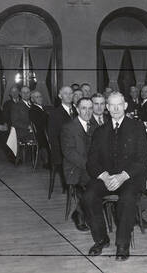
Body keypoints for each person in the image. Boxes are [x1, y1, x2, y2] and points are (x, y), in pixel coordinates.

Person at [82, 91, 147, 261]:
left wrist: (122, 176)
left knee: (127, 199)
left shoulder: (137, 127)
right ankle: (101, 239)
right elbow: (91, 161)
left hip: (130, 177)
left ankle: (122, 244)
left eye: (119, 104)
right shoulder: (100, 131)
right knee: (88, 196)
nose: (115, 108)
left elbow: (143, 159)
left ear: (125, 106)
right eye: (111, 105)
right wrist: (104, 176)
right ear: (107, 108)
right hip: (107, 177)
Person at [61, 97, 95, 231]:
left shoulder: (95, 126)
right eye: (83, 108)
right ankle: (79, 213)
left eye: (90, 108)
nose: (87, 112)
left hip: (91, 166)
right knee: (94, 182)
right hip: (75, 168)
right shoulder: (68, 128)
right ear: (77, 109)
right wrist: (90, 166)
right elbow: (69, 153)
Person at [48, 85, 77, 166]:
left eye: (71, 93)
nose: (68, 96)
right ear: (60, 96)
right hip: (62, 149)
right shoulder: (55, 113)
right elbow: (53, 136)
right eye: (65, 93)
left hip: (78, 146)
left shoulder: (77, 111)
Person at [29, 91, 49, 167]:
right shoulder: (33, 110)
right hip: (42, 134)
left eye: (40, 96)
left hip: (45, 132)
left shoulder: (43, 108)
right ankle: (47, 161)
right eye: (37, 97)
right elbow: (39, 124)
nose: (40, 98)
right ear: (32, 100)